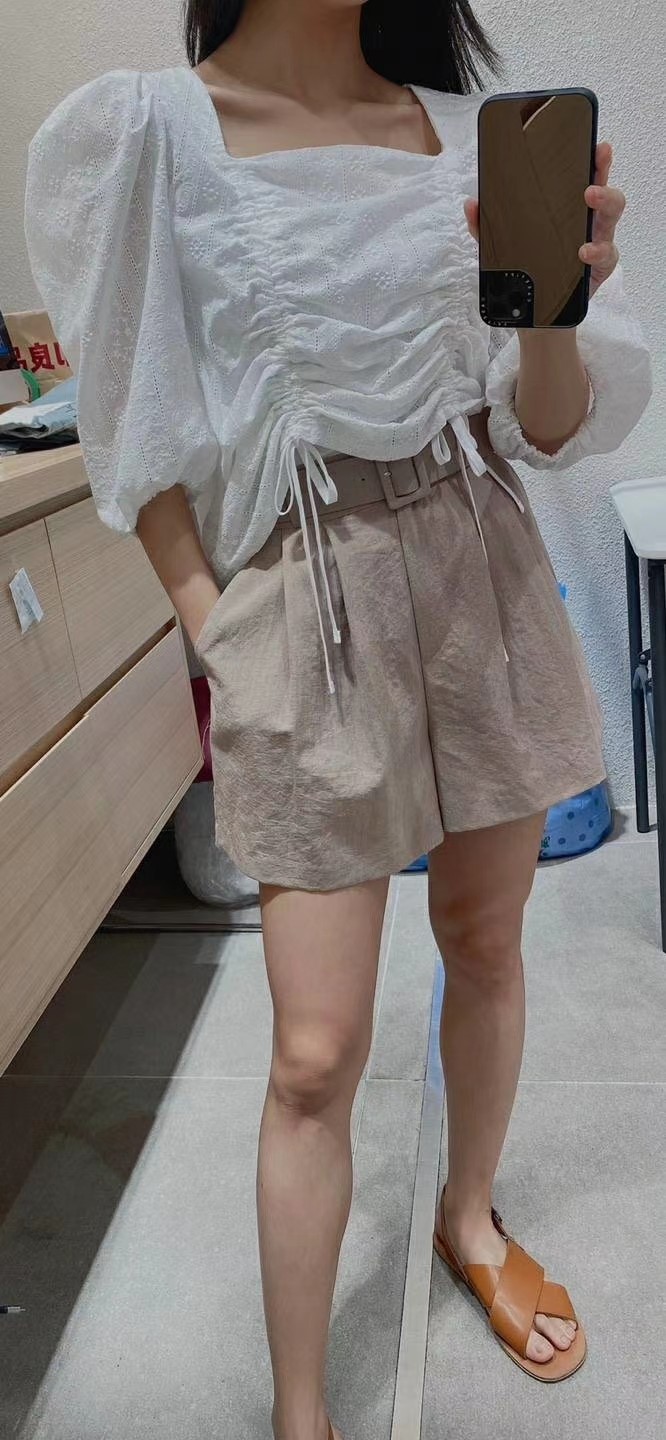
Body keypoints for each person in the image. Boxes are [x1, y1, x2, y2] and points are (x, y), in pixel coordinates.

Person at [25, 2, 652, 1435]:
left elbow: (547, 426)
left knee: (487, 940)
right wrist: (215, 625)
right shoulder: (149, 136)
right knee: (313, 1052)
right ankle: (301, 1412)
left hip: (480, 563)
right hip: (298, 592)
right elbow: (129, 418)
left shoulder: (461, 135)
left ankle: (469, 1218)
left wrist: (551, 305)